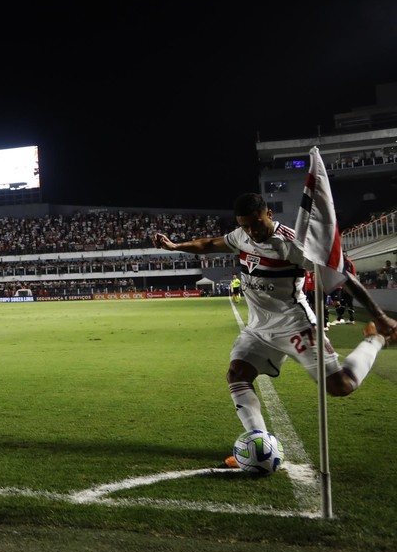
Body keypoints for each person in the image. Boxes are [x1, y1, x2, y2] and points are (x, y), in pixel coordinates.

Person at [153, 193, 396, 466]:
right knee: (237, 373)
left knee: (340, 386)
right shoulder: (241, 236)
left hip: (295, 325)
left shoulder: (293, 245)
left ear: (269, 215)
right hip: (258, 328)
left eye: (256, 223)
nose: (251, 231)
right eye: (245, 225)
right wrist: (175, 246)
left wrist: (380, 316)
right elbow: (209, 244)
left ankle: (375, 339)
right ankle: (258, 442)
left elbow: (344, 276)